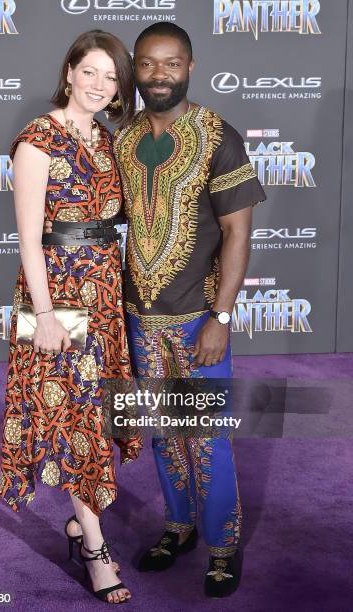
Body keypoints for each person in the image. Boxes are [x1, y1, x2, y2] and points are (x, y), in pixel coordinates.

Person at [114, 23, 266, 598]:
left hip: (197, 318)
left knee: (204, 434)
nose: (158, 75)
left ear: (190, 67)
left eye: (171, 64)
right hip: (138, 316)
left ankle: (222, 545)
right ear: (137, 68)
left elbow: (237, 232)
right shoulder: (123, 138)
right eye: (149, 65)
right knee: (161, 431)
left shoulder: (217, 136)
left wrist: (220, 318)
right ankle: (178, 527)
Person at [0, 30, 142, 604]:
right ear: (69, 73)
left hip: (104, 293)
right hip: (56, 293)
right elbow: (29, 240)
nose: (99, 85)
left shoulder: (107, 140)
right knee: (76, 417)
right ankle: (96, 549)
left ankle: (83, 522)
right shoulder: (37, 141)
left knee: (98, 413)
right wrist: (46, 314)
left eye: (111, 77)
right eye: (90, 72)